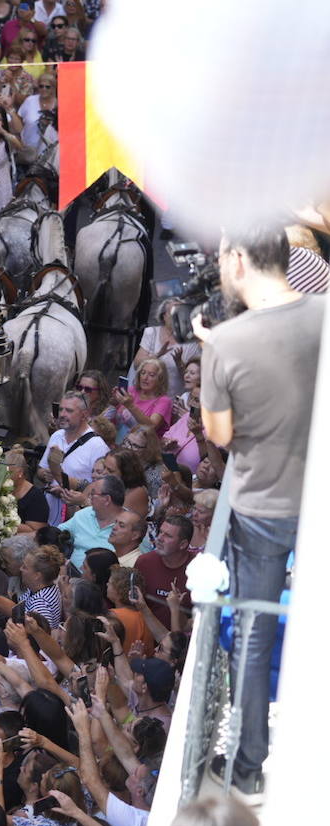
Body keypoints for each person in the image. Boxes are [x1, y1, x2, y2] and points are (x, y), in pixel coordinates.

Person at [199, 224, 321, 792]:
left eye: (223, 257)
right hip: (316, 500)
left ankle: (248, 766)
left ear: (240, 260)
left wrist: (216, 358)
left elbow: (220, 434)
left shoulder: (227, 342)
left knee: (253, 631)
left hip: (263, 508)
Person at [41, 392, 110, 525]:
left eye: (69, 410)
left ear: (84, 414)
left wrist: (65, 487)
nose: (62, 414)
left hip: (74, 518)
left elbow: (99, 488)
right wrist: (45, 475)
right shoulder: (56, 435)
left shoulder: (98, 447)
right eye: (61, 409)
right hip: (47, 510)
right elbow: (40, 470)